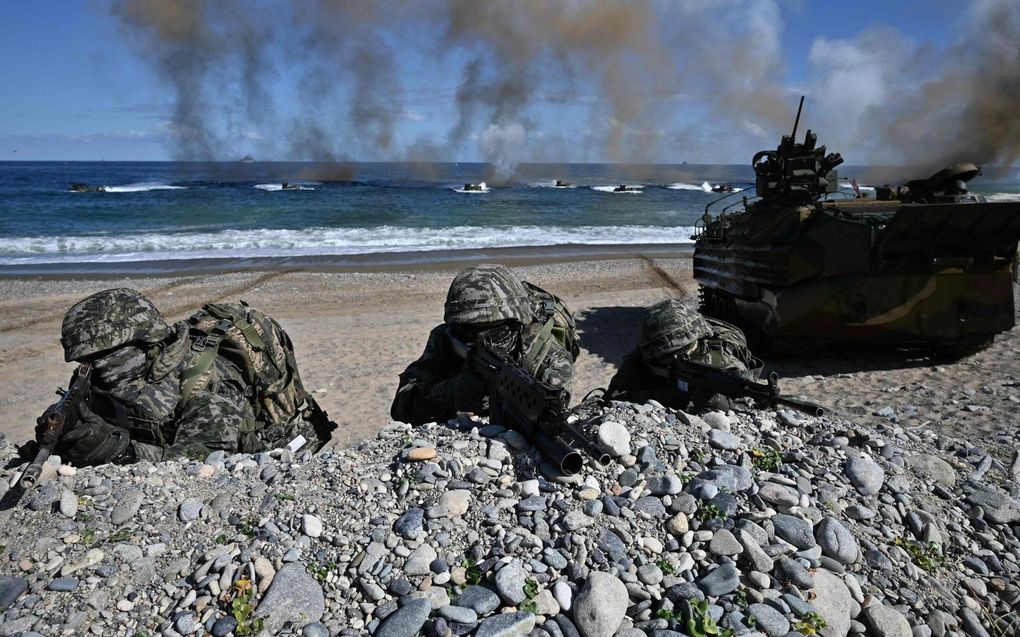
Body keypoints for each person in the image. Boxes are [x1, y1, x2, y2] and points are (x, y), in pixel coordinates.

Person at [27, 288, 335, 466]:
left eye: (100, 359)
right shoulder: (117, 376)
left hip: (274, 455)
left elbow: (207, 459)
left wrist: (120, 451)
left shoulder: (206, 385)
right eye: (84, 361)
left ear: (146, 344)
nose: (91, 370)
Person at [391, 264, 576, 425]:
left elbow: (552, 415)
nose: (480, 340)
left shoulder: (544, 356)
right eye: (468, 330)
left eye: (494, 330)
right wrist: (449, 393)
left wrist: (502, 399)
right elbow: (401, 408)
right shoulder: (447, 339)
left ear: (518, 323)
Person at [606, 299, 762, 410]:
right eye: (666, 356)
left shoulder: (717, 358)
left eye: (683, 351)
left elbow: (749, 403)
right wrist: (669, 398)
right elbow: (614, 396)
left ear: (697, 341)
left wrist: (725, 404)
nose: (675, 360)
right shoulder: (648, 354)